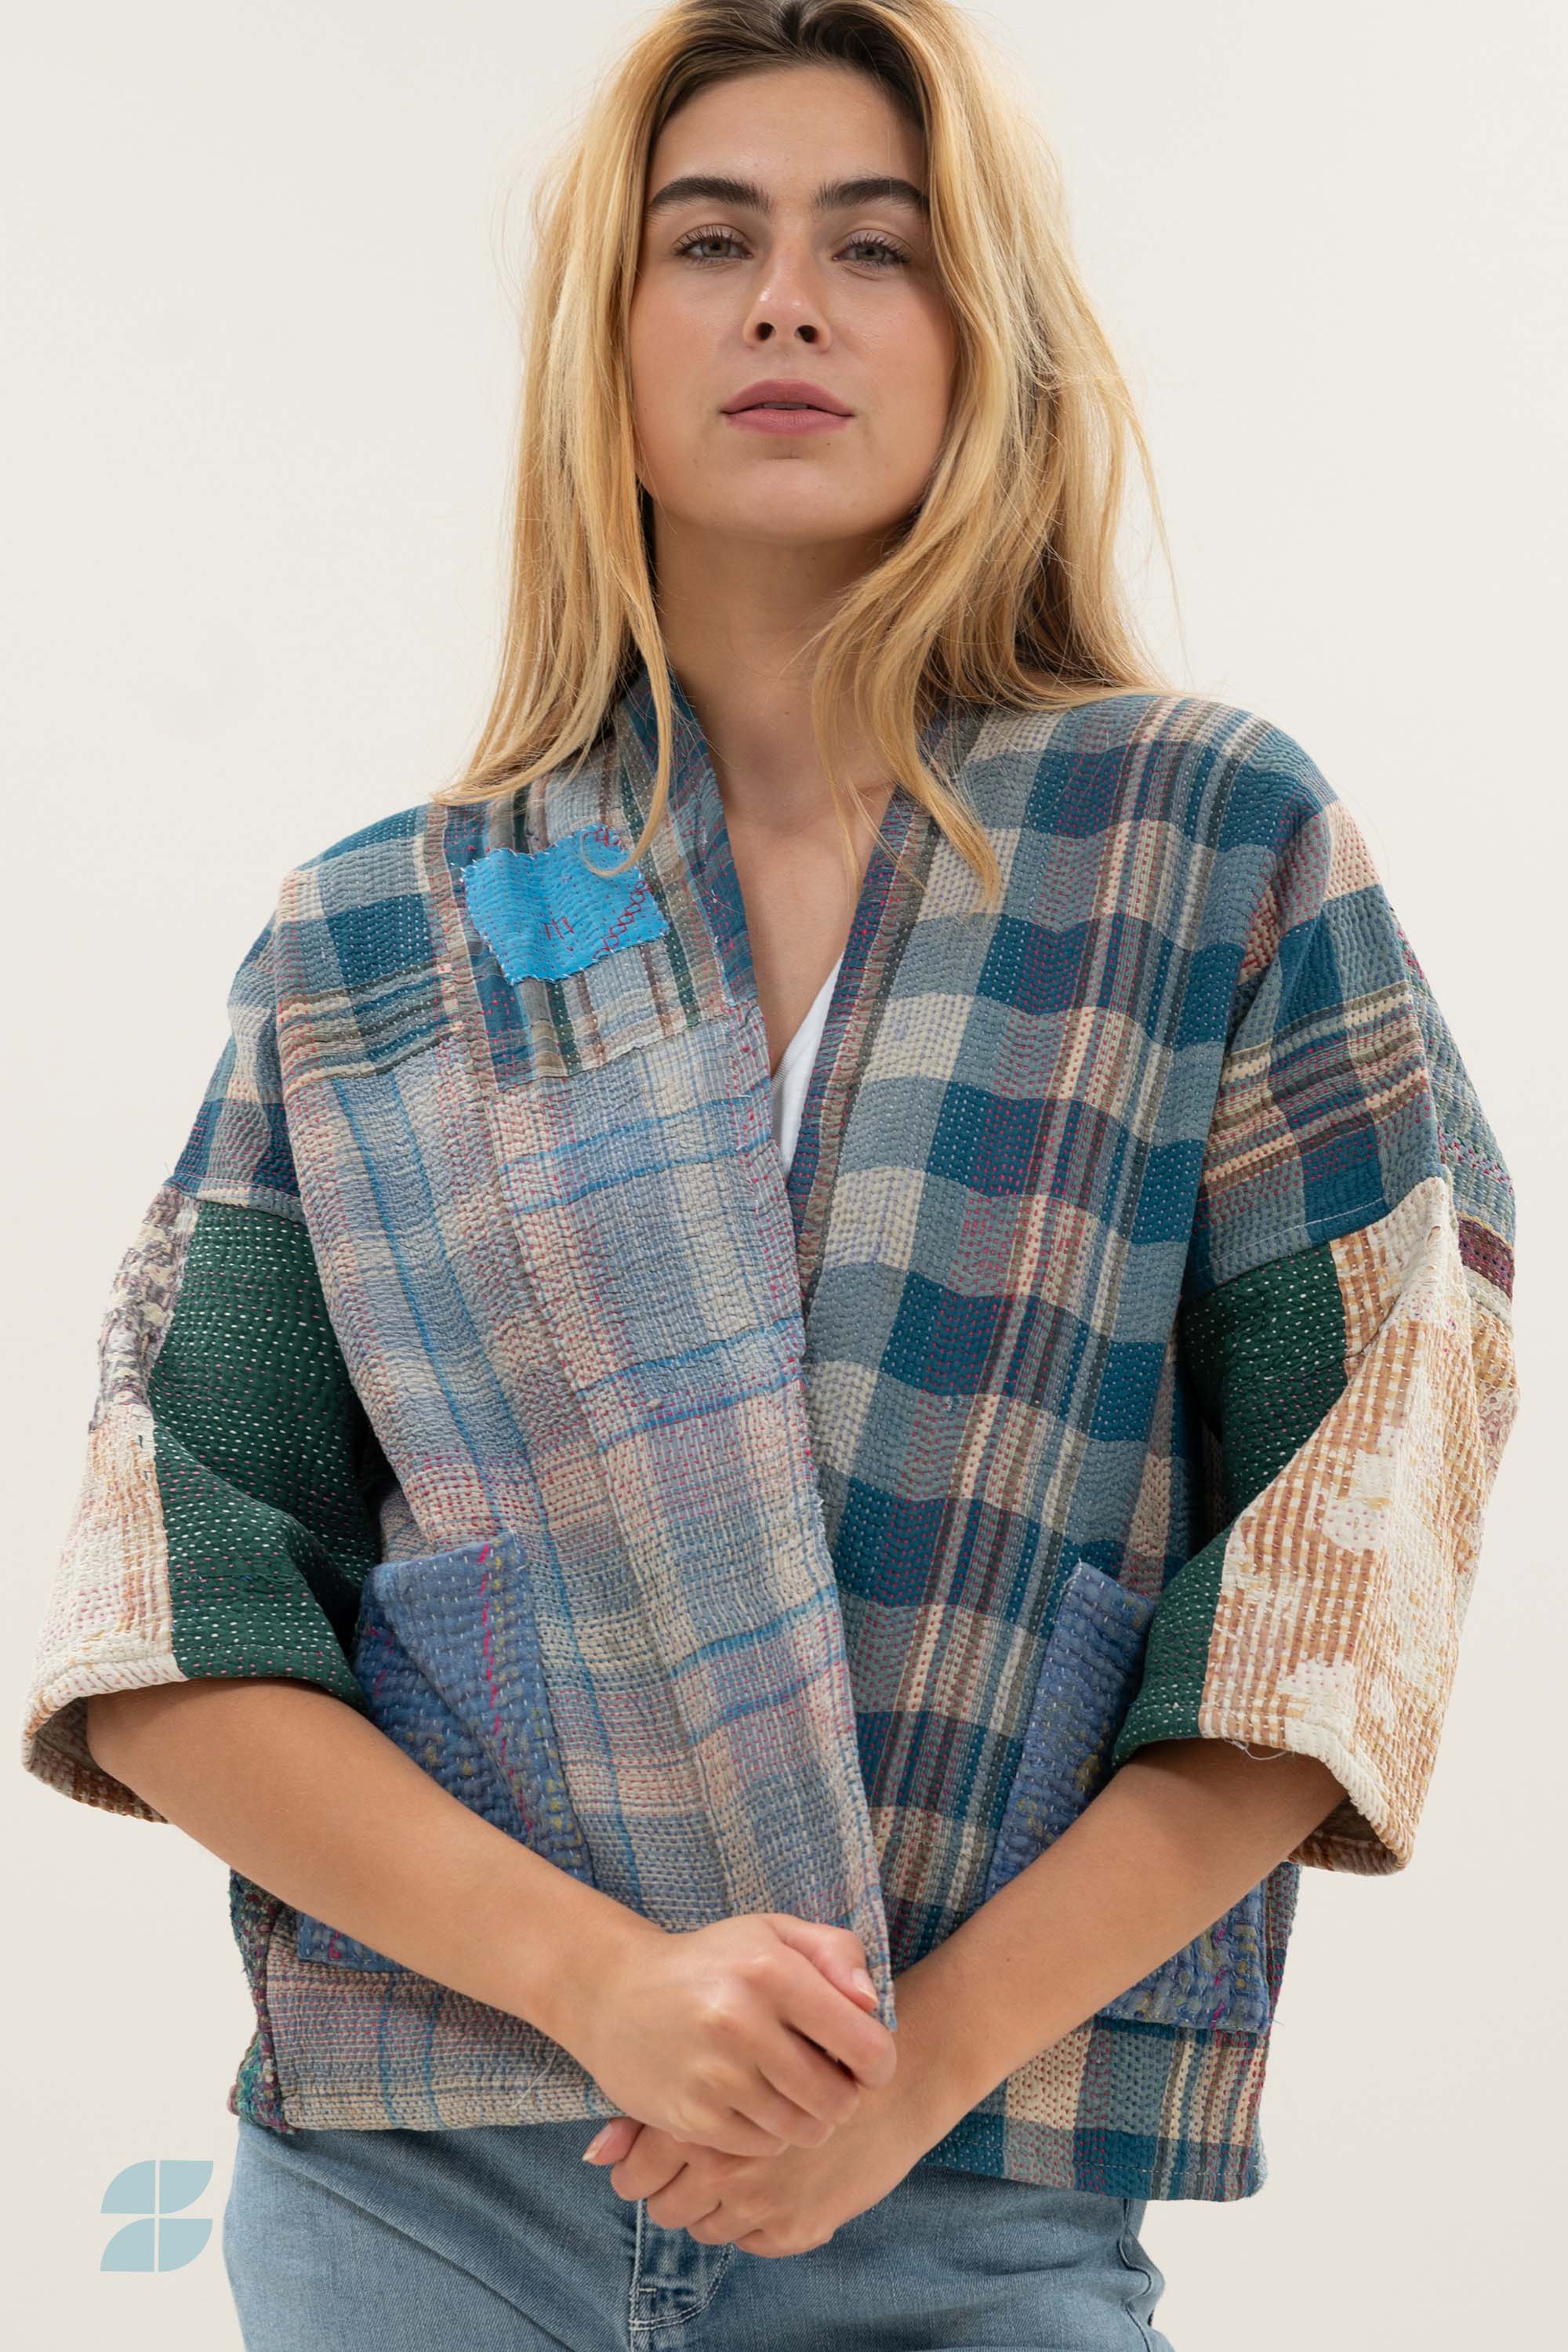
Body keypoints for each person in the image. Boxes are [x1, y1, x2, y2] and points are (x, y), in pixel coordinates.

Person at [20, 4, 1519, 2347]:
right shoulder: (382, 939)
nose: (789, 304)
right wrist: (603, 1986)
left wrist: (907, 2068)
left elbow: (1337, 1568)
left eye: (877, 247)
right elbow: (177, 1615)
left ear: (984, 332)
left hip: (965, 2193)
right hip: (426, 2199)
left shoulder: (1201, 850)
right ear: (604, 338)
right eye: (709, 241)